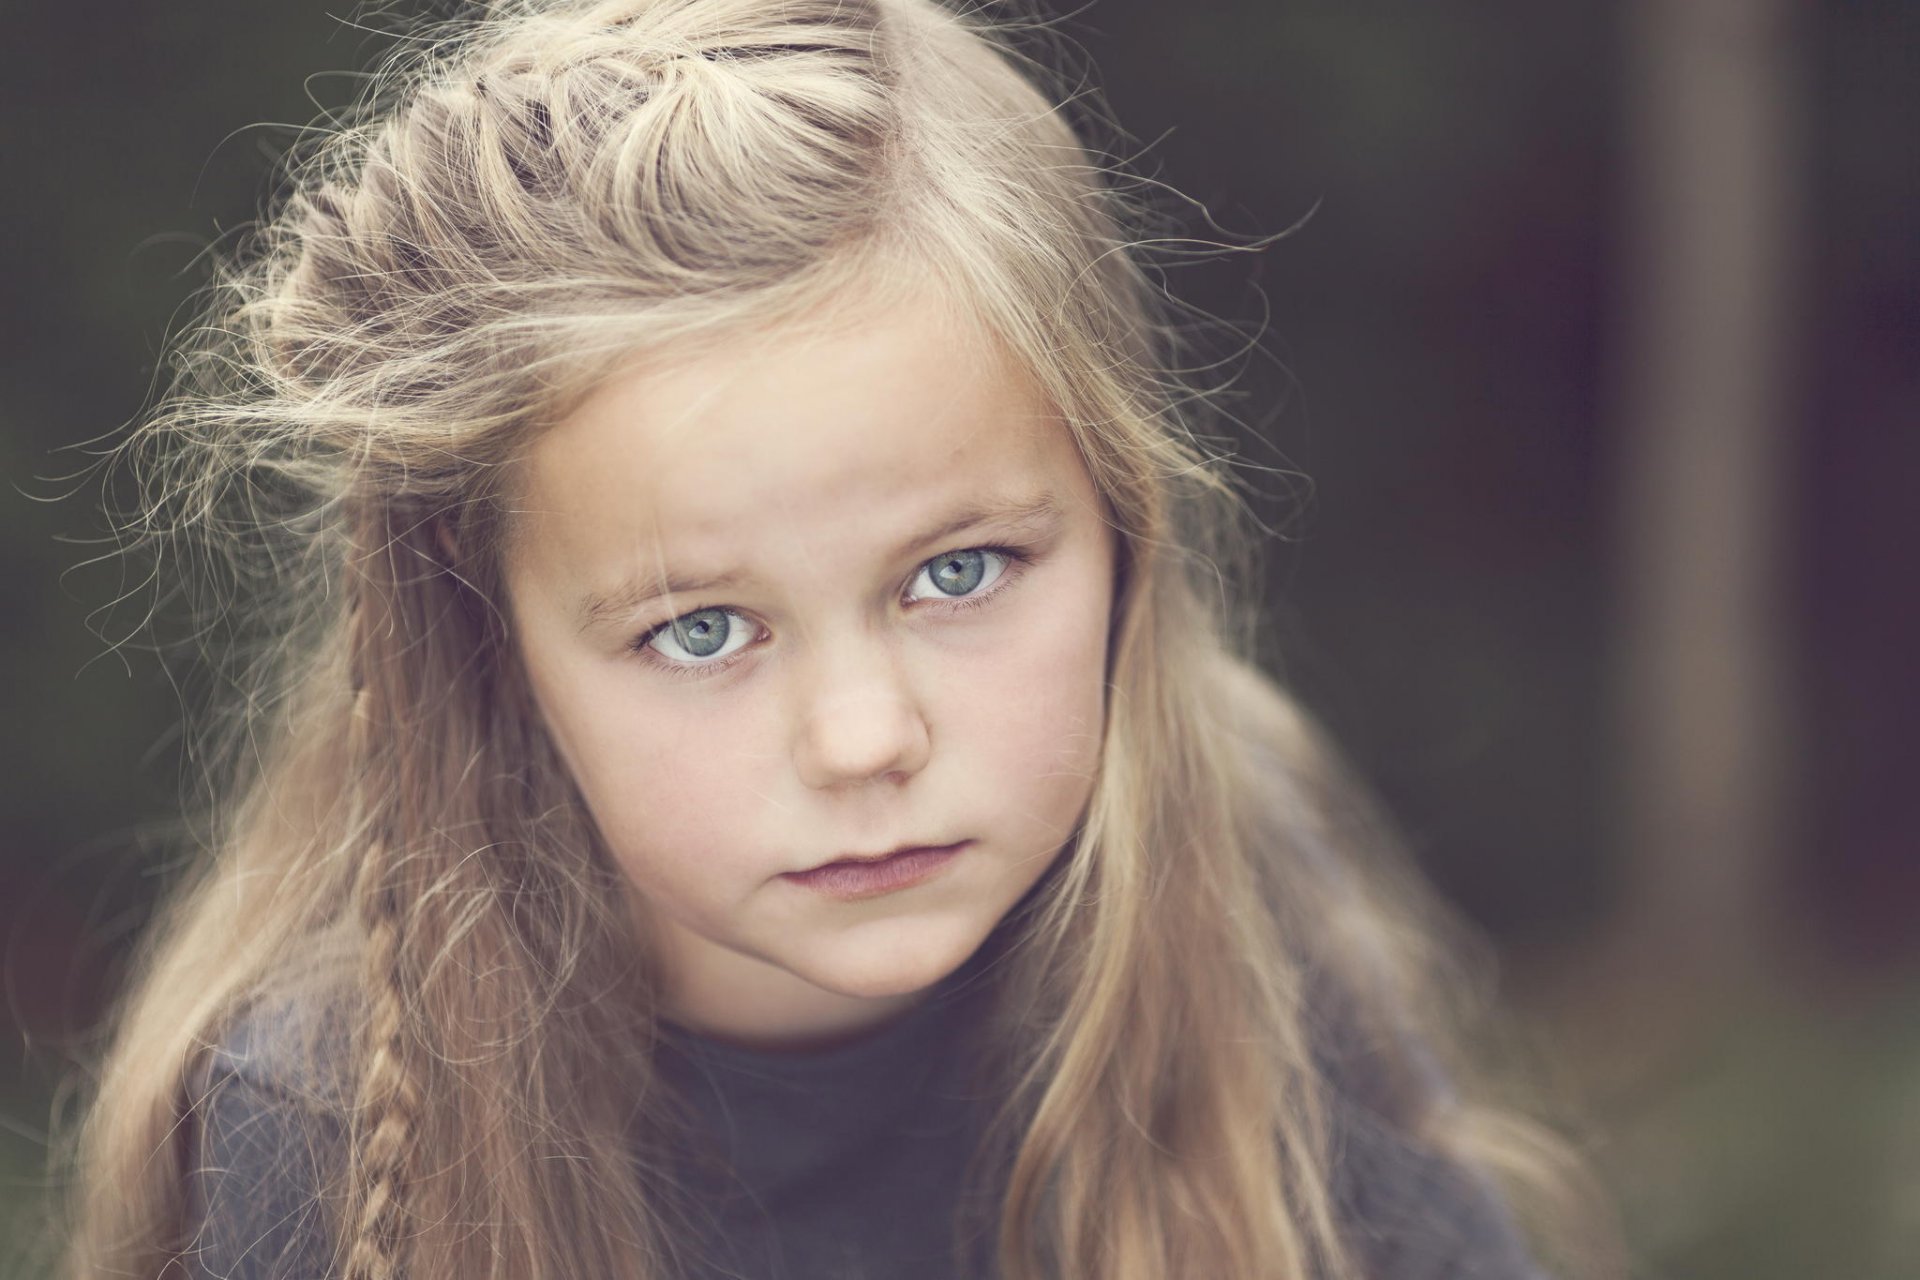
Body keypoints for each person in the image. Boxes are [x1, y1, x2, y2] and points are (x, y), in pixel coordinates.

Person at [53, 2, 1617, 1278]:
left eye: (958, 575)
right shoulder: (327, 1118)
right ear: (486, 613)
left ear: (1121, 508)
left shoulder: (1233, 867)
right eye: (705, 628)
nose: (867, 739)